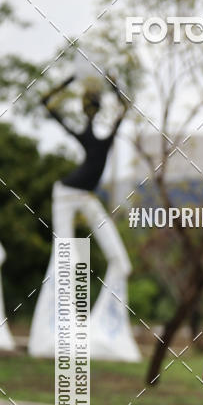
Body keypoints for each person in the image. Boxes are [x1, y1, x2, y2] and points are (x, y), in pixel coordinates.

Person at [28, 73, 140, 360]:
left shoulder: (102, 135)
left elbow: (125, 107)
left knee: (119, 259)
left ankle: (105, 329)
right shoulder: (90, 135)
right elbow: (45, 103)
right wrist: (65, 84)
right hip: (65, 195)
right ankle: (55, 331)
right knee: (65, 257)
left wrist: (114, 86)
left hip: (86, 197)